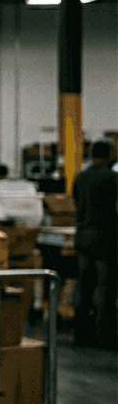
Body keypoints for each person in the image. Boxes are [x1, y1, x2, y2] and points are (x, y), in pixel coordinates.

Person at [73, 139, 116, 349]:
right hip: (103, 238)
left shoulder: (80, 176)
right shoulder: (112, 177)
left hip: (81, 236)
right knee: (104, 286)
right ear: (109, 153)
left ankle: (80, 334)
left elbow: (75, 202)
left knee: (83, 284)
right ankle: (103, 336)